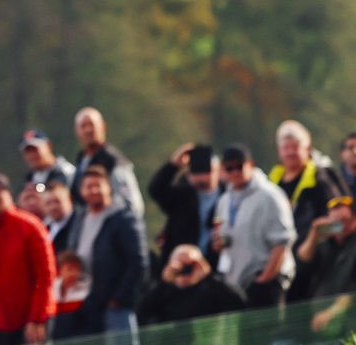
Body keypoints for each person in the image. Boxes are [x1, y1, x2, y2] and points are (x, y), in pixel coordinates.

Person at [52, 166, 146, 338]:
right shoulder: (80, 218)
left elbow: (138, 261)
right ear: (81, 191)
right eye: (88, 186)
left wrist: (120, 298)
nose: (93, 190)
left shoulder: (123, 218)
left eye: (98, 185)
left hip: (114, 303)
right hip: (85, 301)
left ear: (108, 187)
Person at [0, 173, 56, 345]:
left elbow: (45, 276)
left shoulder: (30, 226)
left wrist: (37, 319)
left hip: (32, 323)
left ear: (9, 194)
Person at [268, 120, 346, 302]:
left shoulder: (321, 180)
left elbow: (339, 222)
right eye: (286, 148)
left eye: (295, 147)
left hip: (315, 264)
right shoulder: (272, 183)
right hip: (279, 261)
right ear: (279, 151)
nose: (290, 152)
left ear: (307, 148)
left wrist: (316, 236)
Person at [213, 144, 295, 309]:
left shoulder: (270, 195)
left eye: (239, 166)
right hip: (236, 284)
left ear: (250, 164)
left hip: (264, 281)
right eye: (229, 168)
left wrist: (265, 278)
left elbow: (283, 241)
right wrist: (219, 243)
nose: (235, 172)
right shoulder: (224, 200)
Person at [147, 143, 223, 263]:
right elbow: (156, 190)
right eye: (195, 169)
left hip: (214, 265)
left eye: (205, 169)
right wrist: (173, 165)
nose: (201, 174)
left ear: (217, 170)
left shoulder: (227, 196)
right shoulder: (182, 197)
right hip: (179, 265)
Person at [137, 244, 247, 325]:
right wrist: (164, 282)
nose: (185, 269)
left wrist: (208, 276)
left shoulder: (212, 288)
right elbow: (142, 313)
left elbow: (239, 303)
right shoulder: (163, 291)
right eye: (180, 263)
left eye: (190, 264)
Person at [70, 107, 144, 223]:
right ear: (77, 131)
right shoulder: (81, 160)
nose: (88, 130)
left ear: (103, 127)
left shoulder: (114, 161)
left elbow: (132, 204)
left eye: (91, 125)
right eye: (83, 126)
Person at [297, 195, 356, 332]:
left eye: (344, 220)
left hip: (346, 322)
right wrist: (314, 234)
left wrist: (332, 312)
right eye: (335, 222)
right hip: (318, 322)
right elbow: (302, 263)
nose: (340, 226)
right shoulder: (326, 244)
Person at [41, 174, 78, 255]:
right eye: (48, 203)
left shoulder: (80, 223)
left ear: (69, 199)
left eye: (57, 201)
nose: (53, 207)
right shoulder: (45, 227)